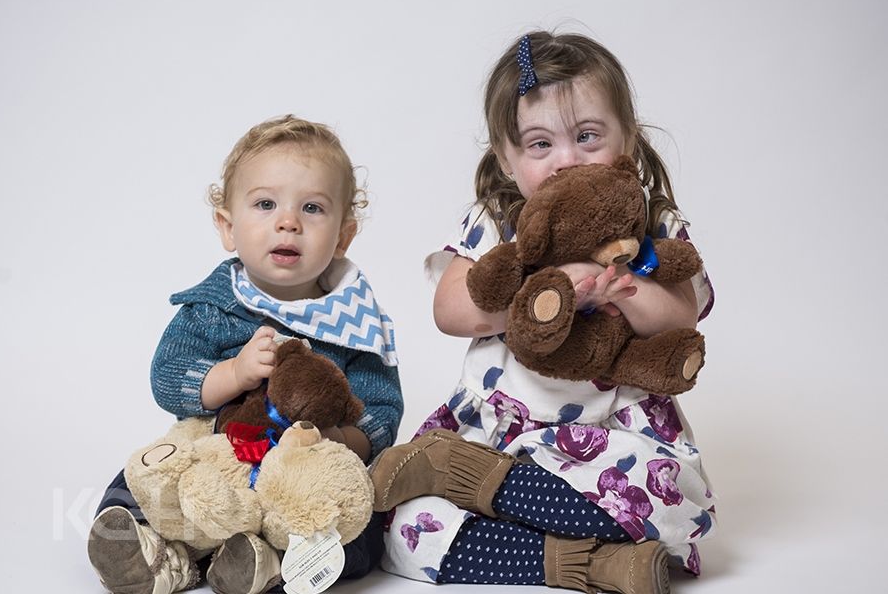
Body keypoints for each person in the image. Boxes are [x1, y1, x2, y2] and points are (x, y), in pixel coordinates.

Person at [369, 31, 715, 594]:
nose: (567, 160)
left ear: (628, 136)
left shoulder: (650, 224)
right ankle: (562, 541)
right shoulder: (497, 222)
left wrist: (620, 288)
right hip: (501, 429)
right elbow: (451, 310)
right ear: (506, 159)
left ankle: (555, 540)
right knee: (405, 530)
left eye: (587, 136)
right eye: (539, 144)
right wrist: (543, 297)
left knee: (667, 513)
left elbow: (680, 318)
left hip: (614, 435)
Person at [87, 115, 404, 594]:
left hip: (298, 470)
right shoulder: (216, 306)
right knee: (149, 475)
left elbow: (383, 409)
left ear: (343, 236)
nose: (288, 221)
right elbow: (167, 376)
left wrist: (338, 437)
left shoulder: (356, 323)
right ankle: (149, 552)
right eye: (265, 204)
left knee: (357, 527)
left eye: (313, 207)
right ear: (228, 227)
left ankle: (262, 563)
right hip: (216, 448)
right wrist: (232, 374)